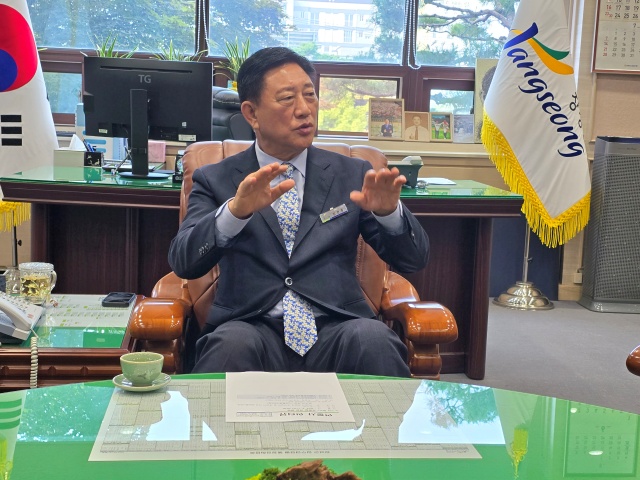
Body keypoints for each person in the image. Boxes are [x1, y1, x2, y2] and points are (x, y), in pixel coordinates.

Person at [168, 47, 429, 378]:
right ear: (251, 113)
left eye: (310, 95)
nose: (305, 109)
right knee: (229, 347)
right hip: (250, 325)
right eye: (287, 98)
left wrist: (389, 214)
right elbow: (184, 261)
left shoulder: (352, 174)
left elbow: (413, 260)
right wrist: (235, 213)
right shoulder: (215, 178)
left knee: (375, 340)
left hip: (338, 326)